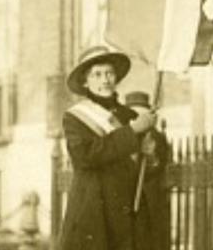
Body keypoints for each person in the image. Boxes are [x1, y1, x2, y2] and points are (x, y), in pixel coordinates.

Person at [58, 46, 159, 250]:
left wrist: (150, 157)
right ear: (86, 82)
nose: (105, 80)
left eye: (109, 73)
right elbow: (85, 156)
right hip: (94, 212)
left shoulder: (130, 116)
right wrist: (131, 132)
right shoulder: (74, 118)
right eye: (97, 74)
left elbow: (141, 172)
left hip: (129, 211)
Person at [123, 91, 172, 250]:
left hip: (149, 197)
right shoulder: (123, 135)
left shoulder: (155, 136)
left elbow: (160, 165)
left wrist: (151, 157)